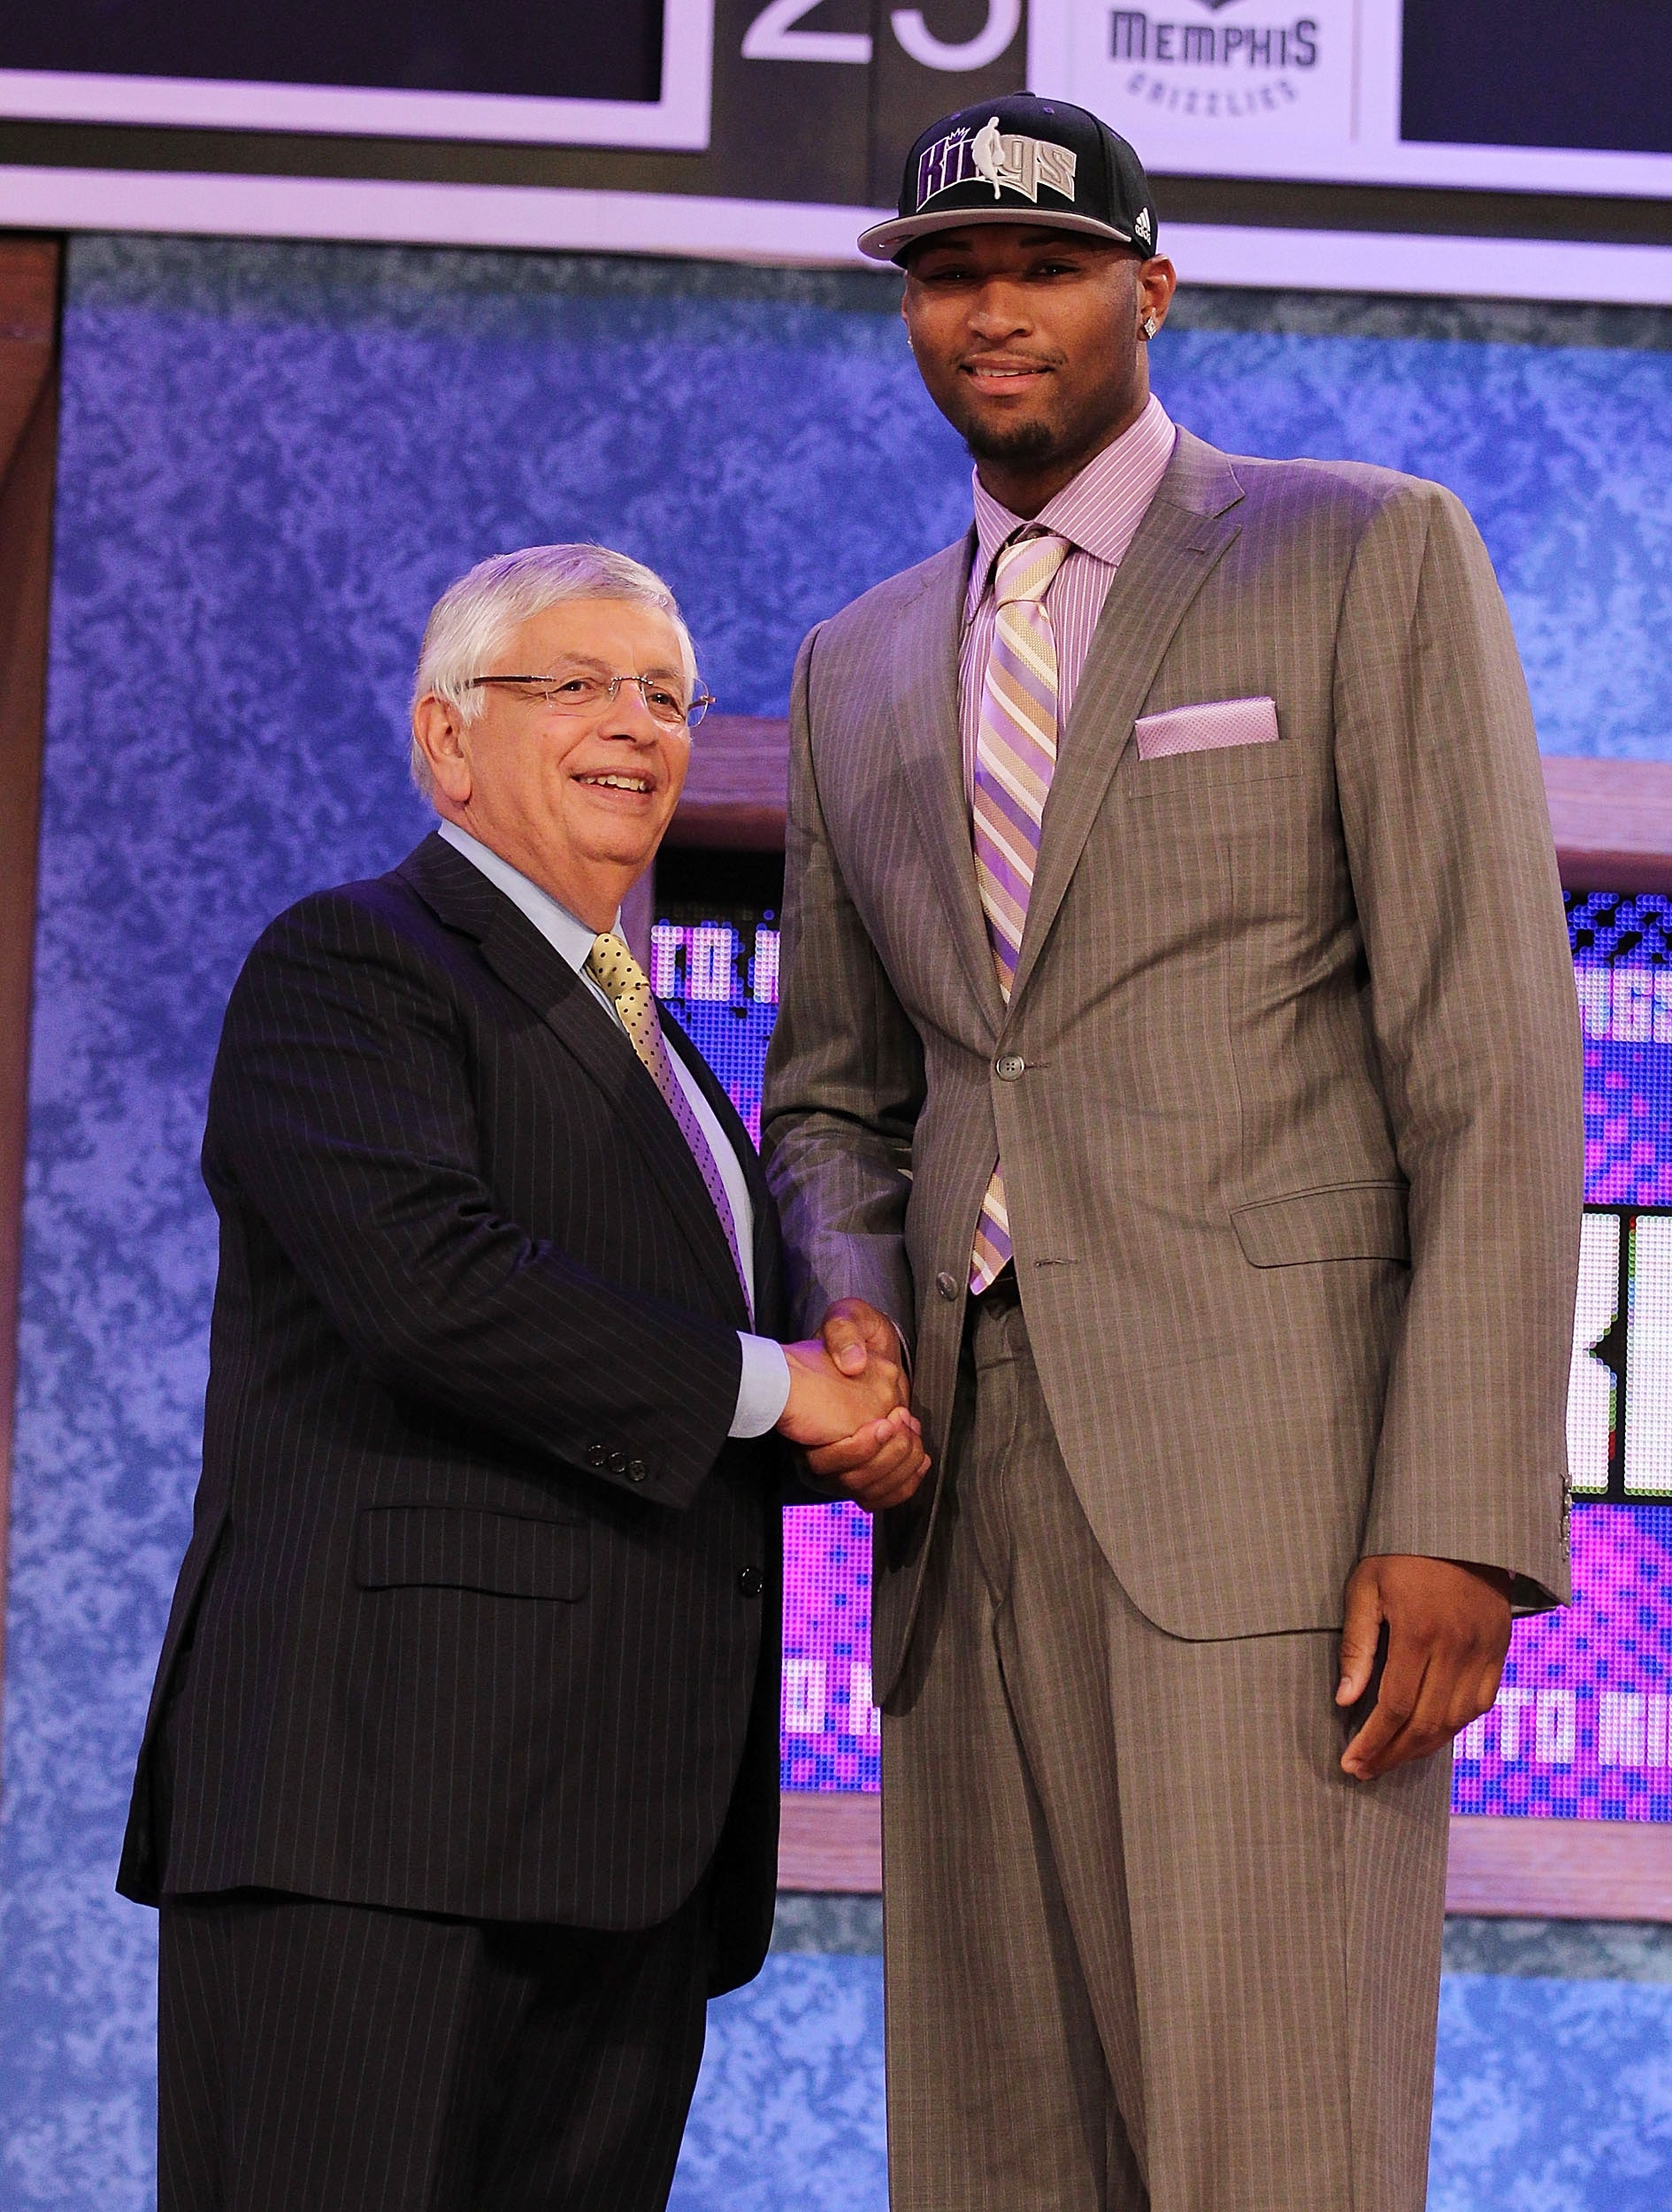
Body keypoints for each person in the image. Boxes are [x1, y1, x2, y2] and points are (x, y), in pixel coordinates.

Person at [762, 94, 1584, 2212]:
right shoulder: (854, 661)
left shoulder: (1357, 547)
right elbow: (840, 1096)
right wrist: (850, 1291)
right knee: (993, 2147)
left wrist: (1467, 1513)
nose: (992, 313)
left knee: (1271, 2147)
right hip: (960, 1506)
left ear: (1151, 282)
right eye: (949, 277)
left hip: (1280, 1508)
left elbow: (1489, 1063)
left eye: (1039, 268)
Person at [117, 543, 925, 2212]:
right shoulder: (354, 966)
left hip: (624, 1850)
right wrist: (786, 1392)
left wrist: (856, 1407)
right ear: (445, 740)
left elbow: (660, 1375)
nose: (632, 724)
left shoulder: (656, 1039)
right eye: (569, 685)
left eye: (663, 694)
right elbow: (438, 1291)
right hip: (377, 1827)